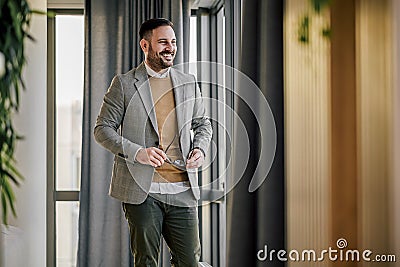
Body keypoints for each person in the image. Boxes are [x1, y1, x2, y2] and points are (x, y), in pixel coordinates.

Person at [94, 18, 212, 267]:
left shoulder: (188, 82)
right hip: (142, 192)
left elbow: (203, 124)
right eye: (163, 42)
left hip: (182, 189)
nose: (170, 48)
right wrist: (138, 153)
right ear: (145, 46)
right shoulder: (124, 84)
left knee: (189, 261)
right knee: (146, 262)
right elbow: (102, 129)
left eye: (173, 42)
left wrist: (200, 148)